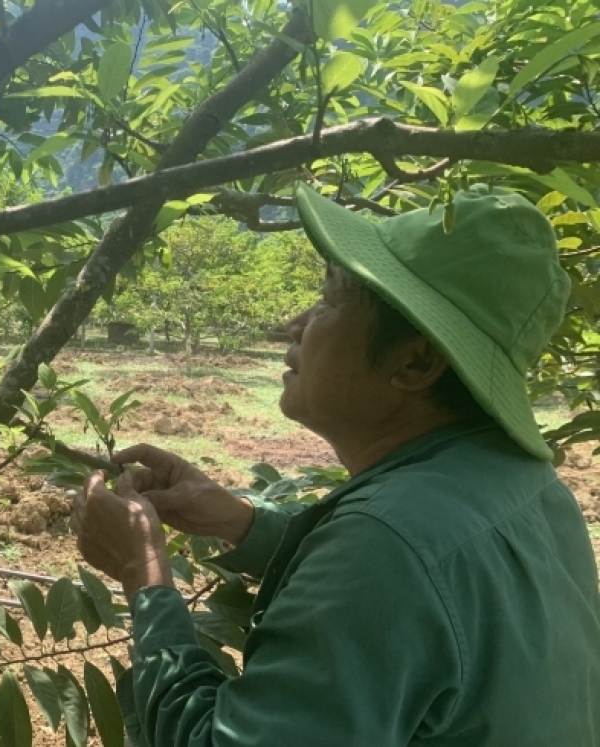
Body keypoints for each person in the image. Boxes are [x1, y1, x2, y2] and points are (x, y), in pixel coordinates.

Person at [72, 183, 600, 746]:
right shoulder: (525, 484)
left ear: (414, 361)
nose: (296, 323)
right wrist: (242, 521)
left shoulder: (384, 545)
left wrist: (145, 575)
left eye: (328, 301)